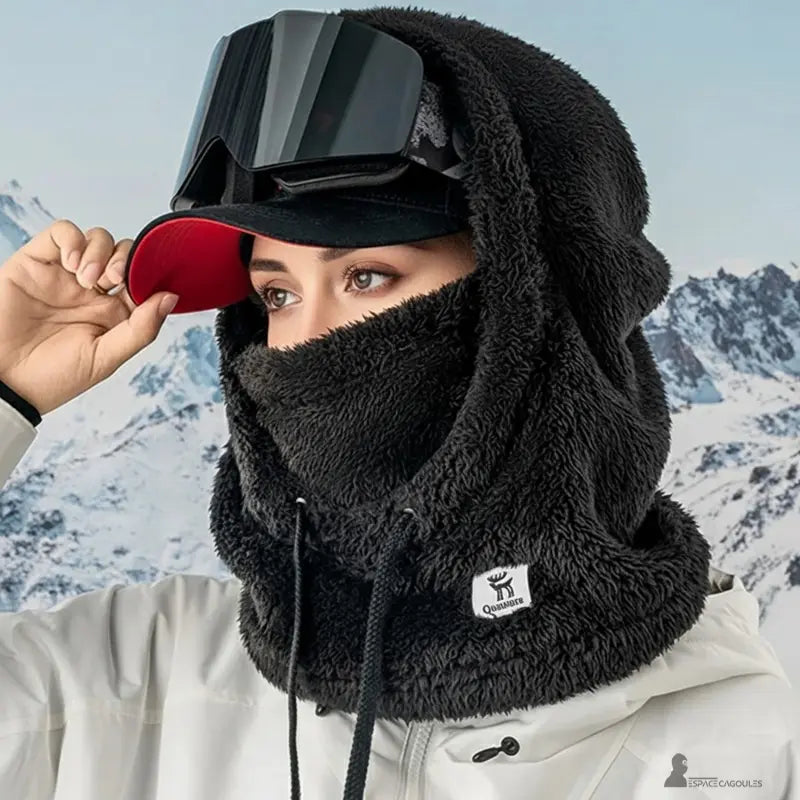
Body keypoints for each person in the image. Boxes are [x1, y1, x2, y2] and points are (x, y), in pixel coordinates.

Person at [0, 6, 798, 800]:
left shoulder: (748, 753)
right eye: (274, 294)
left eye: (366, 277)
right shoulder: (131, 683)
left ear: (535, 301)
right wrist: (6, 387)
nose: (306, 340)